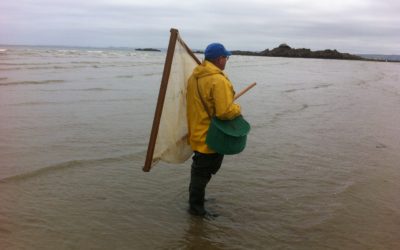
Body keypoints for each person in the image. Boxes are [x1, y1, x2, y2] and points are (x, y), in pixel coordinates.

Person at [186, 43, 241, 216]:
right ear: (219, 59)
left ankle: (198, 200)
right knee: (202, 172)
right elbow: (224, 112)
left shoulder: (194, 77)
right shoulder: (218, 80)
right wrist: (237, 109)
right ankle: (196, 209)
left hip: (196, 131)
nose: (227, 60)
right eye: (226, 57)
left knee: (200, 169)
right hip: (211, 135)